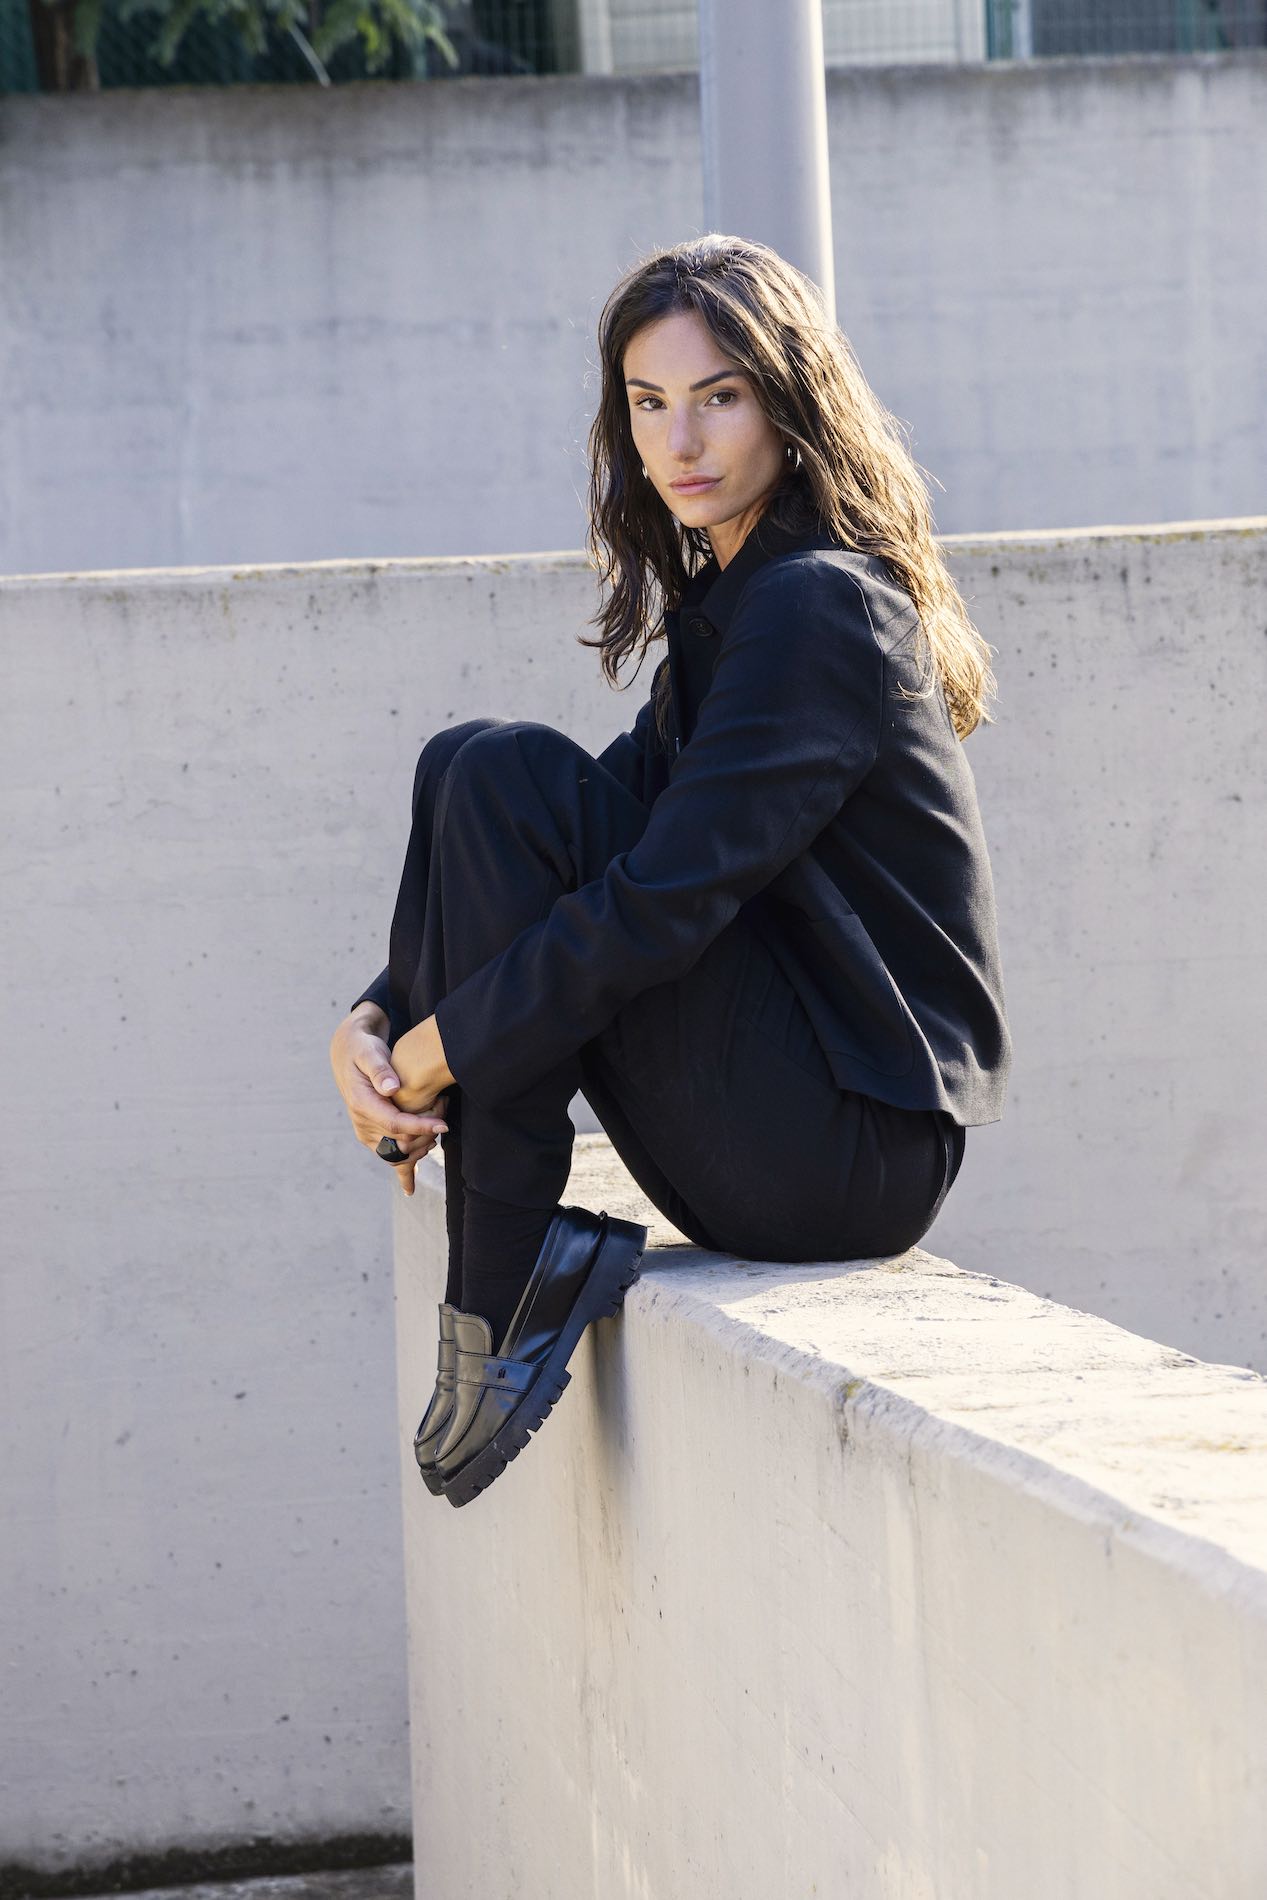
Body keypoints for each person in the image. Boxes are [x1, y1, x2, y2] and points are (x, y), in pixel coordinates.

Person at [328, 233, 1012, 1510]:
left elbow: (658, 904)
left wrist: (438, 1046)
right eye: (648, 404)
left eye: (718, 396)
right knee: (472, 764)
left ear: (789, 405)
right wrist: (376, 1023)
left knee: (500, 768)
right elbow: (571, 846)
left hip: (848, 1152)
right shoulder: (733, 613)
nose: (680, 441)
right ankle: (502, 1273)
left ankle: (500, 1280)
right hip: (775, 1133)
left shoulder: (818, 606)